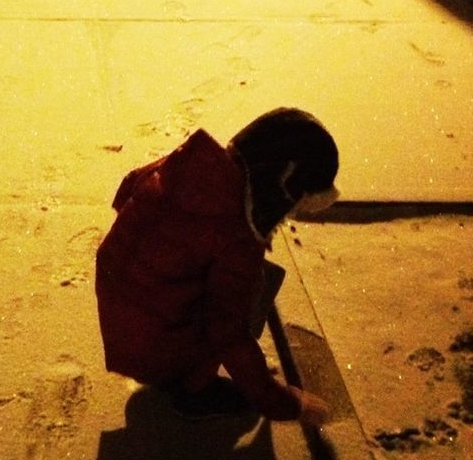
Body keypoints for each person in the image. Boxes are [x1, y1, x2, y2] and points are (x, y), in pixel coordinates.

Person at [95, 108, 339, 425]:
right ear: (280, 190)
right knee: (237, 302)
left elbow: (127, 189)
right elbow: (228, 332)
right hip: (150, 345)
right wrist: (286, 404)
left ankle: (171, 355)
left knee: (245, 282)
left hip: (119, 303)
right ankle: (194, 391)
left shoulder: (192, 164)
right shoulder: (236, 241)